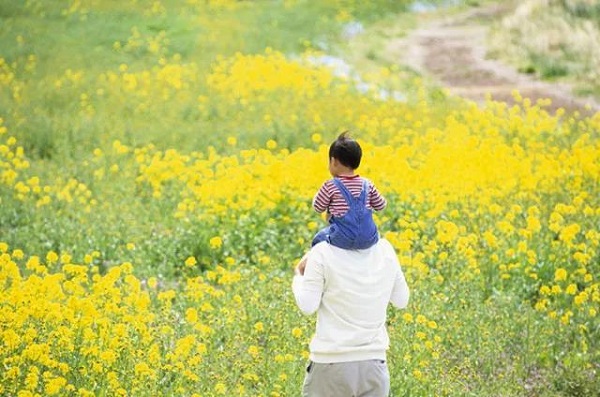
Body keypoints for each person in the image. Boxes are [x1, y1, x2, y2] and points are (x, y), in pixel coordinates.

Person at [292, 238, 410, 397]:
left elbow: (307, 306)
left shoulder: (321, 252)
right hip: (374, 365)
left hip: (330, 363)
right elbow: (401, 300)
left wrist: (299, 277)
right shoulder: (385, 249)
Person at [312, 132, 387, 250]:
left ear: (334, 161)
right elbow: (381, 205)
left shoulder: (330, 185)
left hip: (342, 239)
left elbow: (318, 207)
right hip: (369, 239)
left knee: (318, 238)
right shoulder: (368, 184)